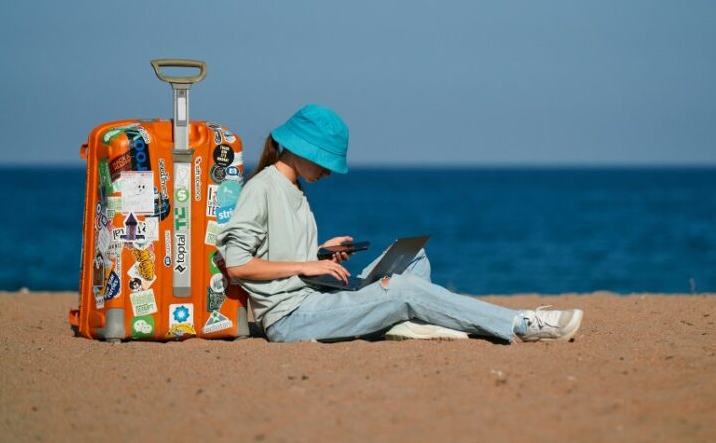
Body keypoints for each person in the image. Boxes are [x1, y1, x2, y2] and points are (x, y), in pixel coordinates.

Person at [217, 104, 584, 343]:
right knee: (404, 291)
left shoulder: (293, 187)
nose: (328, 172)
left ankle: (397, 324)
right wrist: (306, 264)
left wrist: (321, 253)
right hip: (292, 318)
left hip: (316, 296)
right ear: (300, 150)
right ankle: (522, 324)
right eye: (325, 162)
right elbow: (238, 264)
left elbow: (277, 251)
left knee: (414, 259)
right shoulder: (263, 187)